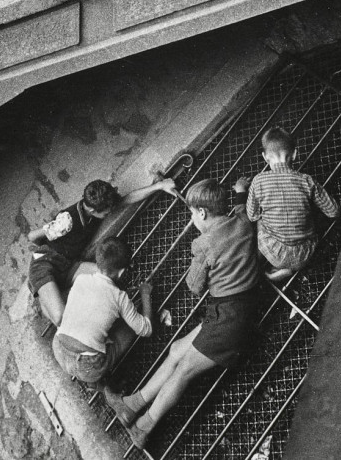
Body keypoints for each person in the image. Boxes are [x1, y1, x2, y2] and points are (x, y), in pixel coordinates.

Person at [105, 178, 260, 451]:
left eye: (191, 212)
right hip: (233, 310)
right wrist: (240, 191)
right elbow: (241, 207)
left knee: (184, 370)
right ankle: (132, 405)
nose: (191, 217)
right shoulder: (243, 222)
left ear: (202, 213)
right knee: (177, 350)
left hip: (229, 321)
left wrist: (198, 260)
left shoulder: (204, 244)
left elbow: (194, 287)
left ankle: (144, 428)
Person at [28, 176, 178, 326]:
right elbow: (32, 236)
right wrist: (46, 249)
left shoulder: (97, 206)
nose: (109, 214)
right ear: (92, 210)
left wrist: (159, 186)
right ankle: (42, 292)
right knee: (60, 316)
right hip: (46, 264)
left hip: (69, 265)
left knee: (107, 276)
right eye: (106, 214)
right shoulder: (66, 222)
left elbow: (127, 199)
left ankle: (49, 294)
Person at [52, 237, 154, 385]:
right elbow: (146, 330)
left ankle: (90, 372)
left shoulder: (81, 279)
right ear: (122, 272)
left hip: (59, 348)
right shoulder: (120, 297)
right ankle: (98, 383)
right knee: (126, 331)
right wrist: (145, 295)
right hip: (87, 367)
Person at [246, 126, 339, 283]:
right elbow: (334, 211)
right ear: (295, 154)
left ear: (265, 157)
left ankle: (261, 267)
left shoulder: (258, 181)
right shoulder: (306, 180)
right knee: (312, 216)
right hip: (304, 253)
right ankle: (291, 268)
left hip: (274, 252)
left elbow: (252, 215)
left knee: (260, 222)